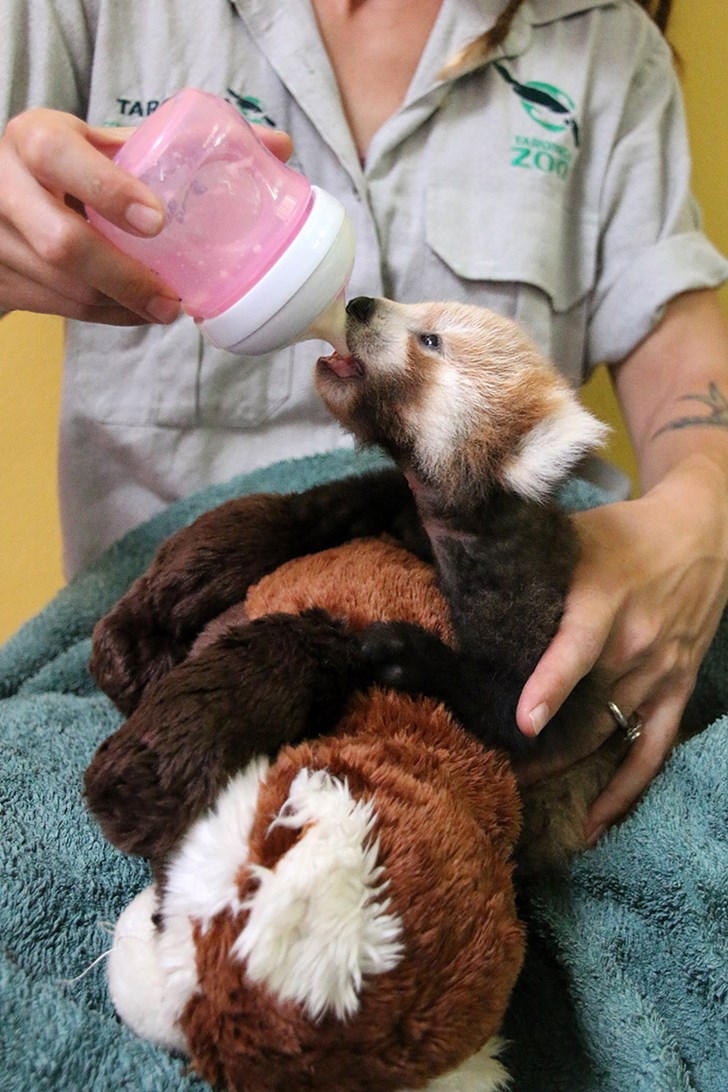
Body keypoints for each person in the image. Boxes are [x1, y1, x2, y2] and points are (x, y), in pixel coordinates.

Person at [1, 0, 727, 844]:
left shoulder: (605, 44)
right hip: (170, 658)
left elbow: (687, 358)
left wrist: (701, 515)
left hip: (467, 660)